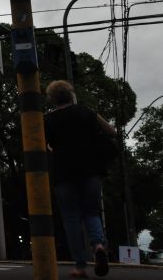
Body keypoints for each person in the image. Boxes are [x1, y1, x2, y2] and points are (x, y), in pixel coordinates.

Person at [45, 80, 114, 278]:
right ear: (71, 94)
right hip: (90, 170)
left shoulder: (48, 120)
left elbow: (47, 146)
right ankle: (98, 245)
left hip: (64, 173)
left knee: (71, 218)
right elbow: (112, 132)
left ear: (52, 99)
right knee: (92, 211)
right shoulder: (86, 112)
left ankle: (80, 265)